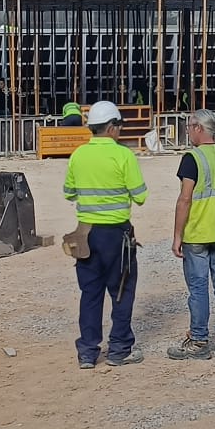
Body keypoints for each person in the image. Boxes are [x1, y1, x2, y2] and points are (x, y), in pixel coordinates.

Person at [62, 101, 147, 369]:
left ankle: (87, 352)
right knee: (121, 292)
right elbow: (141, 196)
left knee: (90, 294)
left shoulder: (78, 155)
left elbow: (68, 192)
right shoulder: (123, 155)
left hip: (85, 235)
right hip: (116, 236)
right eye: (119, 127)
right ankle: (119, 350)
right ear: (111, 127)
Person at [167, 109, 215, 360]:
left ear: (199, 128)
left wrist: (177, 236)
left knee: (198, 288)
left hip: (197, 233)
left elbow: (184, 200)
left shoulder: (192, 158)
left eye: (189, 127)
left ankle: (199, 341)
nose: (187, 131)